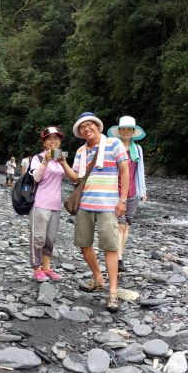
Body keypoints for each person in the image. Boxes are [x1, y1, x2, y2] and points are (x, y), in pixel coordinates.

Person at [58, 112, 129, 311]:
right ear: (80, 132)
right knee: (83, 244)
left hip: (108, 205)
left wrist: (123, 199)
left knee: (110, 247)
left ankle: (113, 292)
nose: (86, 129)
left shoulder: (114, 144)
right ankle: (98, 278)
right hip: (85, 205)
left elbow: (124, 171)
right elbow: (75, 179)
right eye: (82, 127)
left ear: (98, 127)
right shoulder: (81, 151)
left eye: (89, 125)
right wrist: (63, 163)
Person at [108, 115, 147, 272]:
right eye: (123, 129)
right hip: (115, 192)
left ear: (133, 131)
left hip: (132, 191)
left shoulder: (137, 149)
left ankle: (119, 254)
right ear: (119, 131)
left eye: (129, 129)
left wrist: (142, 190)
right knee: (119, 225)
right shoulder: (113, 147)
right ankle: (118, 258)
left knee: (126, 226)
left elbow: (140, 170)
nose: (126, 132)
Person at [29, 127, 66, 282]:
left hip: (55, 204)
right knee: (38, 238)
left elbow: (70, 177)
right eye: (49, 139)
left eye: (56, 139)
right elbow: (36, 178)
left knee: (50, 239)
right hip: (39, 203)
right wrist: (45, 161)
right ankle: (36, 269)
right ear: (44, 143)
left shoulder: (61, 159)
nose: (53, 142)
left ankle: (47, 268)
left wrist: (62, 161)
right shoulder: (37, 158)